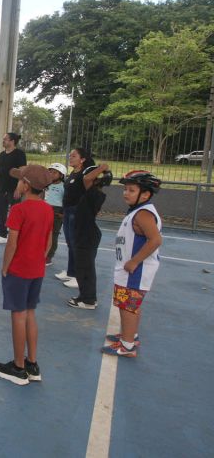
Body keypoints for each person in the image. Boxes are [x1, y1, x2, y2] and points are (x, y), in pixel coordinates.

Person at [0, 164, 54, 386]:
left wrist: (5, 267)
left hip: (18, 269)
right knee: (30, 312)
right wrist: (39, 259)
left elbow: (12, 243)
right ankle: (32, 363)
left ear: (26, 185)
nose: (17, 182)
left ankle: (18, 367)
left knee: (18, 314)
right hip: (37, 269)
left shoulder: (19, 210)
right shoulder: (47, 209)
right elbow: (48, 242)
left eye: (20, 180)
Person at [101, 170, 163, 358]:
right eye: (125, 189)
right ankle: (130, 335)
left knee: (128, 305)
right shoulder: (138, 211)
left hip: (134, 270)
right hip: (129, 269)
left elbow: (155, 240)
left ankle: (127, 346)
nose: (126, 193)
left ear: (145, 194)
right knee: (129, 305)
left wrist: (135, 261)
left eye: (131, 190)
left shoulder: (143, 214)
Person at [67, 165, 112, 310]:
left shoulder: (94, 193)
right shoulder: (93, 193)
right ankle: (86, 296)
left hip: (87, 234)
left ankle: (88, 300)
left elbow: (87, 178)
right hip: (86, 233)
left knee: (85, 268)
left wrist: (103, 167)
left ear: (97, 181)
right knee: (84, 268)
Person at [56, 147, 95, 286]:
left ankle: (78, 276)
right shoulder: (73, 172)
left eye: (73, 156)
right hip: (67, 211)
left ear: (82, 159)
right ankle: (71, 271)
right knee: (69, 242)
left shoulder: (85, 174)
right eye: (70, 156)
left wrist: (102, 167)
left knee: (75, 243)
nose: (70, 158)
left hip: (77, 212)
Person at [0, 132, 27, 244]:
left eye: (5, 139)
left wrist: (19, 188)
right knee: (1, 212)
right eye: (3, 139)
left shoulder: (19, 154)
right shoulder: (1, 155)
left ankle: (14, 236)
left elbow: (22, 171)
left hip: (13, 189)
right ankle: (2, 235)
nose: (3, 141)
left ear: (12, 141)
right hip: (2, 188)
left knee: (15, 214)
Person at [44, 163, 66, 266]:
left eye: (54, 173)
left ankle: (49, 257)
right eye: (50, 172)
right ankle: (41, 253)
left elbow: (66, 200)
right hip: (45, 209)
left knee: (53, 235)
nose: (51, 174)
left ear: (61, 175)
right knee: (42, 233)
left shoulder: (63, 187)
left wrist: (63, 213)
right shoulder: (46, 184)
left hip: (57, 212)